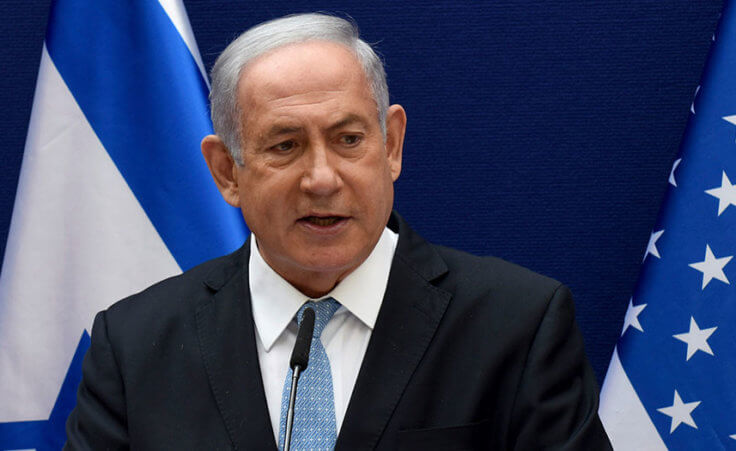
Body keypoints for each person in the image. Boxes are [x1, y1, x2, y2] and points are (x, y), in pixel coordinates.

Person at [65, 13, 611, 450]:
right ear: (227, 172)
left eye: (349, 139)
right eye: (285, 146)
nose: (322, 179)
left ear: (391, 145)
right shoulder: (134, 346)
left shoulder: (518, 323)